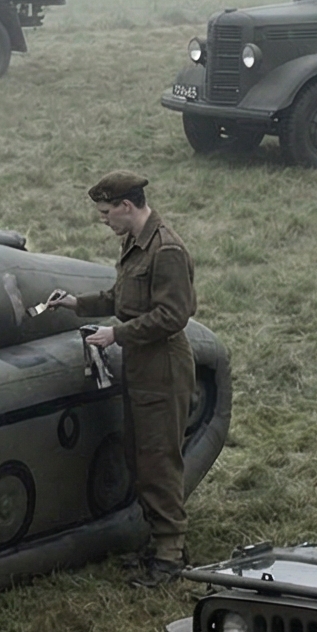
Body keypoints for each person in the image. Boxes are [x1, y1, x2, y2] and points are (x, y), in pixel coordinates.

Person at [44, 169, 199, 586]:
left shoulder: (165, 250)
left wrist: (116, 333)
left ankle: (170, 553)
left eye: (106, 212)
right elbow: (122, 297)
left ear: (127, 207)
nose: (104, 220)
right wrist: (77, 304)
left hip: (162, 366)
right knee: (140, 455)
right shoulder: (135, 242)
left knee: (159, 459)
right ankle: (160, 542)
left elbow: (173, 315)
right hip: (143, 364)